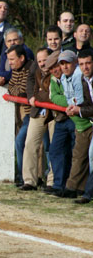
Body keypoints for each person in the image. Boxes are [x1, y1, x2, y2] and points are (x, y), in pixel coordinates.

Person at [54, 50, 92, 198]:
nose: (64, 66)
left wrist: (76, 109)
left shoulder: (78, 76)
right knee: (80, 155)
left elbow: (82, 101)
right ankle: (77, 188)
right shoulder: (64, 78)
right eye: (62, 63)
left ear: (74, 63)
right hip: (80, 122)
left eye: (67, 63)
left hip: (87, 121)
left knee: (85, 157)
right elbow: (69, 99)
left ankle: (75, 189)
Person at [20, 47, 54, 191]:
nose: (41, 63)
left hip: (55, 114)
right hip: (38, 111)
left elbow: (52, 95)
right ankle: (30, 181)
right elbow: (30, 81)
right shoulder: (36, 69)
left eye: (44, 60)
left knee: (54, 147)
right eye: (39, 61)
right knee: (30, 144)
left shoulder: (56, 71)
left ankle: (53, 182)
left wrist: (39, 96)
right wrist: (31, 96)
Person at [66, 50, 93, 203]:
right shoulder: (84, 79)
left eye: (88, 63)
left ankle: (87, 194)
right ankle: (88, 194)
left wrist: (80, 110)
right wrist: (76, 108)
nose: (85, 67)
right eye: (82, 64)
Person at [46, 50, 75, 195]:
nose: (55, 70)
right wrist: (65, 101)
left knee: (75, 152)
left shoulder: (73, 76)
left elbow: (73, 99)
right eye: (51, 69)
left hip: (75, 119)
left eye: (56, 66)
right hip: (61, 119)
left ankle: (72, 186)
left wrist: (64, 101)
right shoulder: (53, 80)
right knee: (55, 150)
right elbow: (54, 97)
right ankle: (58, 185)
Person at [7, 44, 33, 186]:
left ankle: (23, 176)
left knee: (20, 141)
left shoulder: (30, 68)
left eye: (12, 59)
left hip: (33, 113)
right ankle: (23, 175)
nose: (9, 63)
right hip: (24, 113)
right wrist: (16, 90)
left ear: (22, 58)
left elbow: (23, 89)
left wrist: (16, 90)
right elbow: (11, 88)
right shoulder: (16, 69)